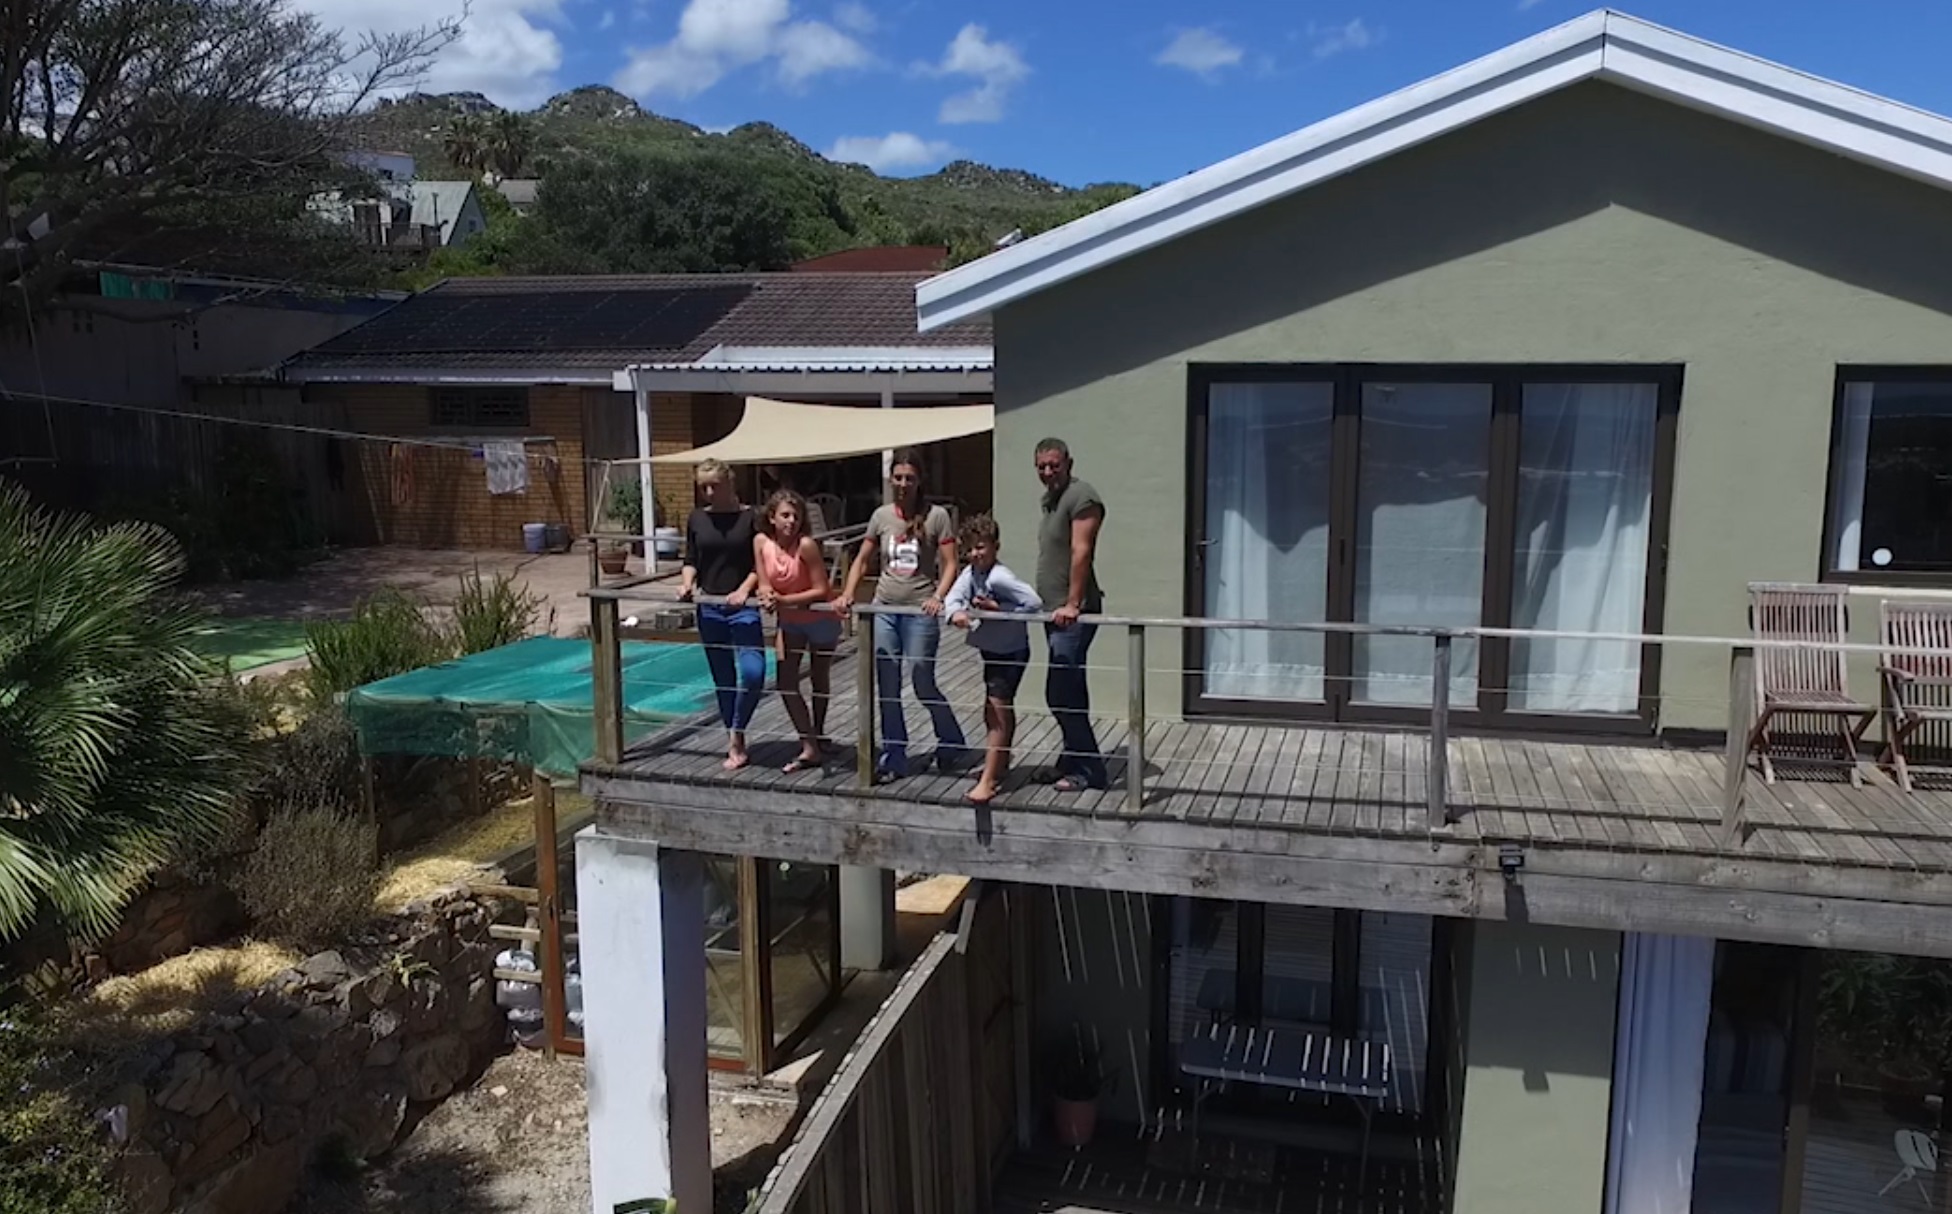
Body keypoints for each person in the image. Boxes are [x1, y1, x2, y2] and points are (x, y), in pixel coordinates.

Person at [840, 449, 968, 781]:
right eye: (898, 477)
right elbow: (863, 558)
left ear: (919, 480)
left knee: (923, 678)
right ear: (891, 479)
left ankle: (951, 740)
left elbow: (951, 563)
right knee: (888, 682)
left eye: (909, 478)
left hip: (920, 608)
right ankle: (894, 753)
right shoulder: (881, 516)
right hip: (885, 608)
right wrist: (848, 592)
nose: (903, 484)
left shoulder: (937, 515)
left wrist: (939, 596)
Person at [945, 514, 1041, 806]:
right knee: (997, 710)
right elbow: (954, 597)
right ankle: (999, 765)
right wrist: (956, 614)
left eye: (981, 547)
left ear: (995, 547)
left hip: (1010, 651)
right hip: (992, 651)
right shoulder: (971, 573)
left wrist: (1000, 609)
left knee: (995, 712)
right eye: (971, 548)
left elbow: (1034, 602)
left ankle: (987, 782)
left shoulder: (1000, 576)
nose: (976, 554)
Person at [677, 459, 765, 771]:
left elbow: (761, 563)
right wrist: (687, 583)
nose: (710, 492)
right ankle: (734, 739)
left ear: (730, 482)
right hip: (709, 606)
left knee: (754, 673)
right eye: (704, 487)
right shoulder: (697, 518)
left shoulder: (750, 517)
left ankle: (737, 729)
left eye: (715, 485)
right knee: (723, 678)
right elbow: (691, 558)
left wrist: (745, 589)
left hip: (744, 608)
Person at [1035, 437, 1108, 791]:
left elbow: (1082, 552)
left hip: (1073, 615)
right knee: (1064, 691)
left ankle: (1090, 771)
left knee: (1064, 691)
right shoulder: (1052, 501)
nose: (1048, 471)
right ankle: (1071, 758)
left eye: (1054, 465)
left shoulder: (1082, 497)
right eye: (1042, 467)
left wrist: (1073, 604)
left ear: (1069, 463)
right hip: (1053, 614)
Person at [754, 488, 838, 773]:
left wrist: (783, 601)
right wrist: (766, 595)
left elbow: (821, 588)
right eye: (785, 515)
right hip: (790, 621)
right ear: (772, 517)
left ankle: (819, 731)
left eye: (796, 516)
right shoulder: (761, 542)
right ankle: (809, 742)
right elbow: (763, 580)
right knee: (786, 682)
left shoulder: (806, 545)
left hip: (819, 618)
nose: (791, 521)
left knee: (819, 678)